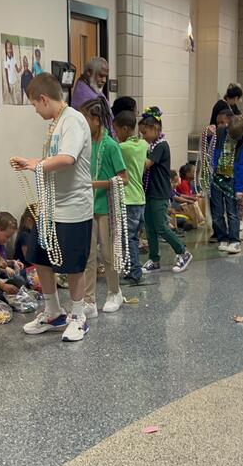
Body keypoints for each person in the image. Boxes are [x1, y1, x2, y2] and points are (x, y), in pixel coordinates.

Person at [11, 73, 95, 342]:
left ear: (44, 99)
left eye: (35, 105)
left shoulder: (73, 120)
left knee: (74, 265)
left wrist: (35, 164)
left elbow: (67, 158)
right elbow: (54, 159)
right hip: (51, 208)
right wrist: (33, 162)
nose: (35, 110)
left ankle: (78, 317)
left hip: (73, 208)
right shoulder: (56, 123)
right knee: (39, 256)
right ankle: (53, 312)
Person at [81, 98, 128, 316]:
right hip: (86, 207)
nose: (83, 124)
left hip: (107, 207)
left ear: (97, 120)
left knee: (109, 254)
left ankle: (114, 292)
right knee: (88, 255)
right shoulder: (85, 144)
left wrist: (97, 184)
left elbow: (124, 179)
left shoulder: (110, 145)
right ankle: (88, 300)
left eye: (86, 120)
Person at [139, 107, 193, 274]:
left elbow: (146, 164)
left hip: (159, 193)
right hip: (149, 192)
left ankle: (183, 252)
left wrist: (132, 152)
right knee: (150, 227)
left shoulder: (161, 146)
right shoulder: (152, 146)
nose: (143, 137)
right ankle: (154, 259)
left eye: (145, 133)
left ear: (155, 128)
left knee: (161, 226)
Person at [209, 115, 243, 254]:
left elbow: (242, 168)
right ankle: (222, 237)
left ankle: (234, 241)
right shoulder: (220, 133)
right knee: (217, 212)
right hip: (216, 179)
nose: (233, 139)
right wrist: (209, 132)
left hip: (232, 181)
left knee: (232, 212)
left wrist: (239, 189)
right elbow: (210, 144)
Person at [115, 110, 148, 285]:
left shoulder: (122, 148)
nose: (116, 135)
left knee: (128, 239)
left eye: (117, 130)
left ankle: (134, 272)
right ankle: (131, 269)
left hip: (128, 199)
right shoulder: (142, 145)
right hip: (140, 198)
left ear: (125, 129)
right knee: (133, 237)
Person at [71, 57, 112, 135]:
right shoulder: (85, 95)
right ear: (89, 72)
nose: (104, 80)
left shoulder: (92, 87)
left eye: (105, 76)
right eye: (101, 76)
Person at [3, 39, 22, 105]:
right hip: (10, 83)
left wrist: (20, 67)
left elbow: (18, 70)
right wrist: (8, 85)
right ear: (6, 49)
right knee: (13, 100)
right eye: (8, 48)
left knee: (15, 98)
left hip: (15, 82)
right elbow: (6, 74)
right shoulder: (5, 60)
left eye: (10, 48)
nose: (9, 50)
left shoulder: (14, 59)